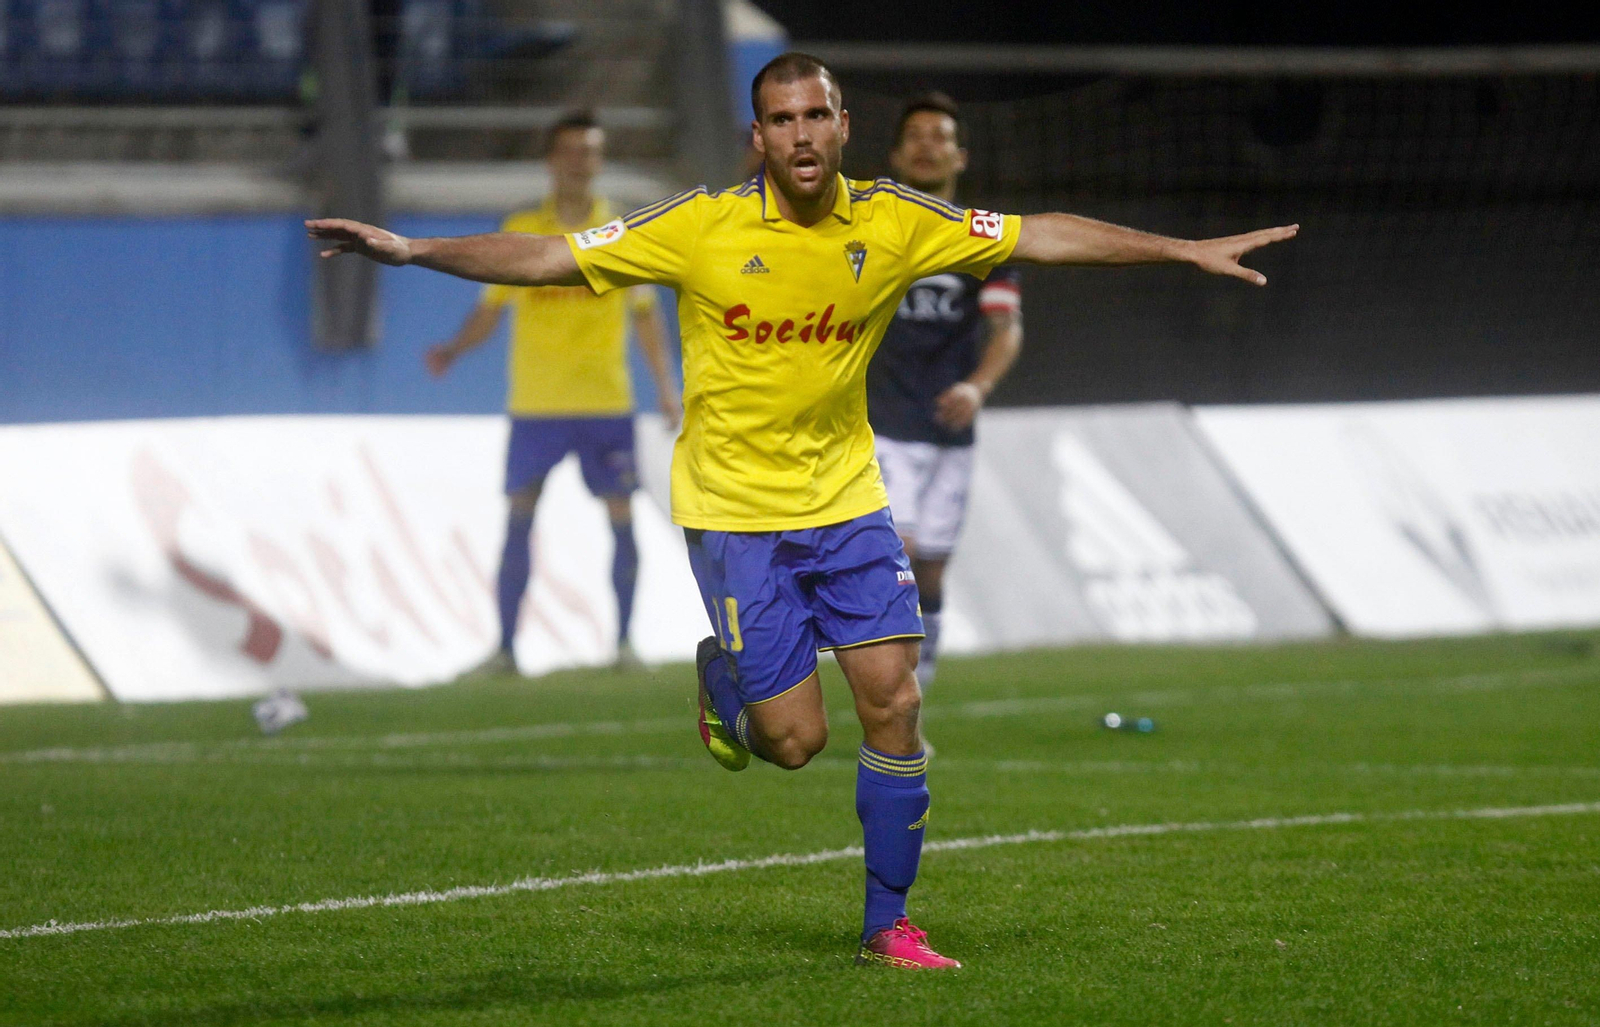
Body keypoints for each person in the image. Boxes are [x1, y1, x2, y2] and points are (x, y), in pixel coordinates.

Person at [306, 52, 1297, 969]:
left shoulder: (894, 220)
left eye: (815, 114)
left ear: (842, 123)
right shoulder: (698, 226)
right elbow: (546, 258)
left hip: (847, 500)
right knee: (792, 743)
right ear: (758, 138)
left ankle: (887, 923)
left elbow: (1036, 236)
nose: (801, 134)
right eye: (780, 119)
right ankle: (725, 678)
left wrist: (1179, 249)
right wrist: (412, 248)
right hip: (734, 511)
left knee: (896, 700)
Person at [423, 112, 682, 676]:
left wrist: (666, 390)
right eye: (569, 151)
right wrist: (453, 350)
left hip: (606, 401)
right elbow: (490, 309)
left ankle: (623, 645)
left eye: (589, 152)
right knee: (519, 517)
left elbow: (646, 319)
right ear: (551, 159)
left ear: (598, 161)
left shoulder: (620, 230)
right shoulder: (523, 227)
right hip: (536, 404)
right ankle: (507, 649)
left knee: (620, 517)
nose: (579, 162)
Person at [867, 92, 1022, 690]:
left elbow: (1006, 329)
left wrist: (979, 387)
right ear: (896, 154)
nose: (927, 145)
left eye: (940, 136)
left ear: (961, 156)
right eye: (916, 135)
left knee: (929, 573)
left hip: (949, 431)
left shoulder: (983, 243)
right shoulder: (868, 233)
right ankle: (889, 699)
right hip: (879, 424)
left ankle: (915, 698)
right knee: (897, 559)